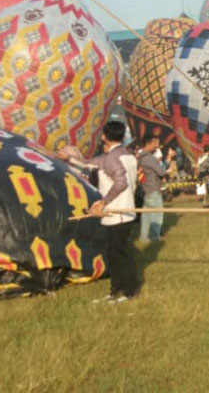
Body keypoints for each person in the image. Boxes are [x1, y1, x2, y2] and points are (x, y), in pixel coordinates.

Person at [59, 121, 140, 303]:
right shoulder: (127, 155)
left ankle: (129, 292)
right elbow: (90, 164)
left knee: (120, 255)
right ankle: (116, 290)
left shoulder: (112, 158)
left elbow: (121, 183)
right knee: (115, 254)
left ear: (105, 136)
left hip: (117, 212)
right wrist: (69, 159)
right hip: (124, 210)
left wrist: (104, 201)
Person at [137, 135, 167, 240]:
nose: (157, 146)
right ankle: (155, 237)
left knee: (146, 216)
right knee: (156, 215)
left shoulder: (140, 156)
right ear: (148, 143)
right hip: (153, 188)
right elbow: (161, 171)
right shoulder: (149, 158)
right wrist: (168, 165)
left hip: (146, 189)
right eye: (155, 143)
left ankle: (144, 237)